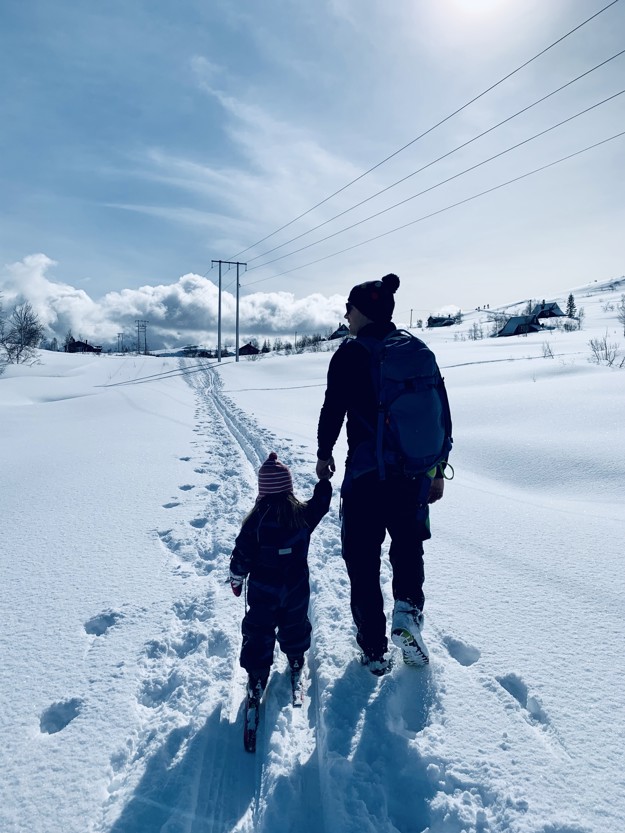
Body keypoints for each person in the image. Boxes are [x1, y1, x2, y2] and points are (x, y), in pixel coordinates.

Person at [316, 273, 451, 675]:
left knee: (362, 561)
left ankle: (374, 649)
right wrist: (438, 469)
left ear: (362, 312)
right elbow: (441, 411)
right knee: (408, 548)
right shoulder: (416, 350)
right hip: (413, 475)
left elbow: (332, 410)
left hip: (365, 479)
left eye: (349, 308)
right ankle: (408, 615)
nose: (346, 314)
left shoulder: (349, 354)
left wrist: (324, 455)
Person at [229, 452, 332, 699]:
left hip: (264, 590)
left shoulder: (256, 521)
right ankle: (296, 658)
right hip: (295, 587)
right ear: (288, 487)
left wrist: (236, 577)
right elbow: (321, 503)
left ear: (262, 490)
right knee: (294, 623)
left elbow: (242, 553)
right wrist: (324, 481)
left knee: (259, 629)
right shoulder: (302, 515)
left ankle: (257, 674)